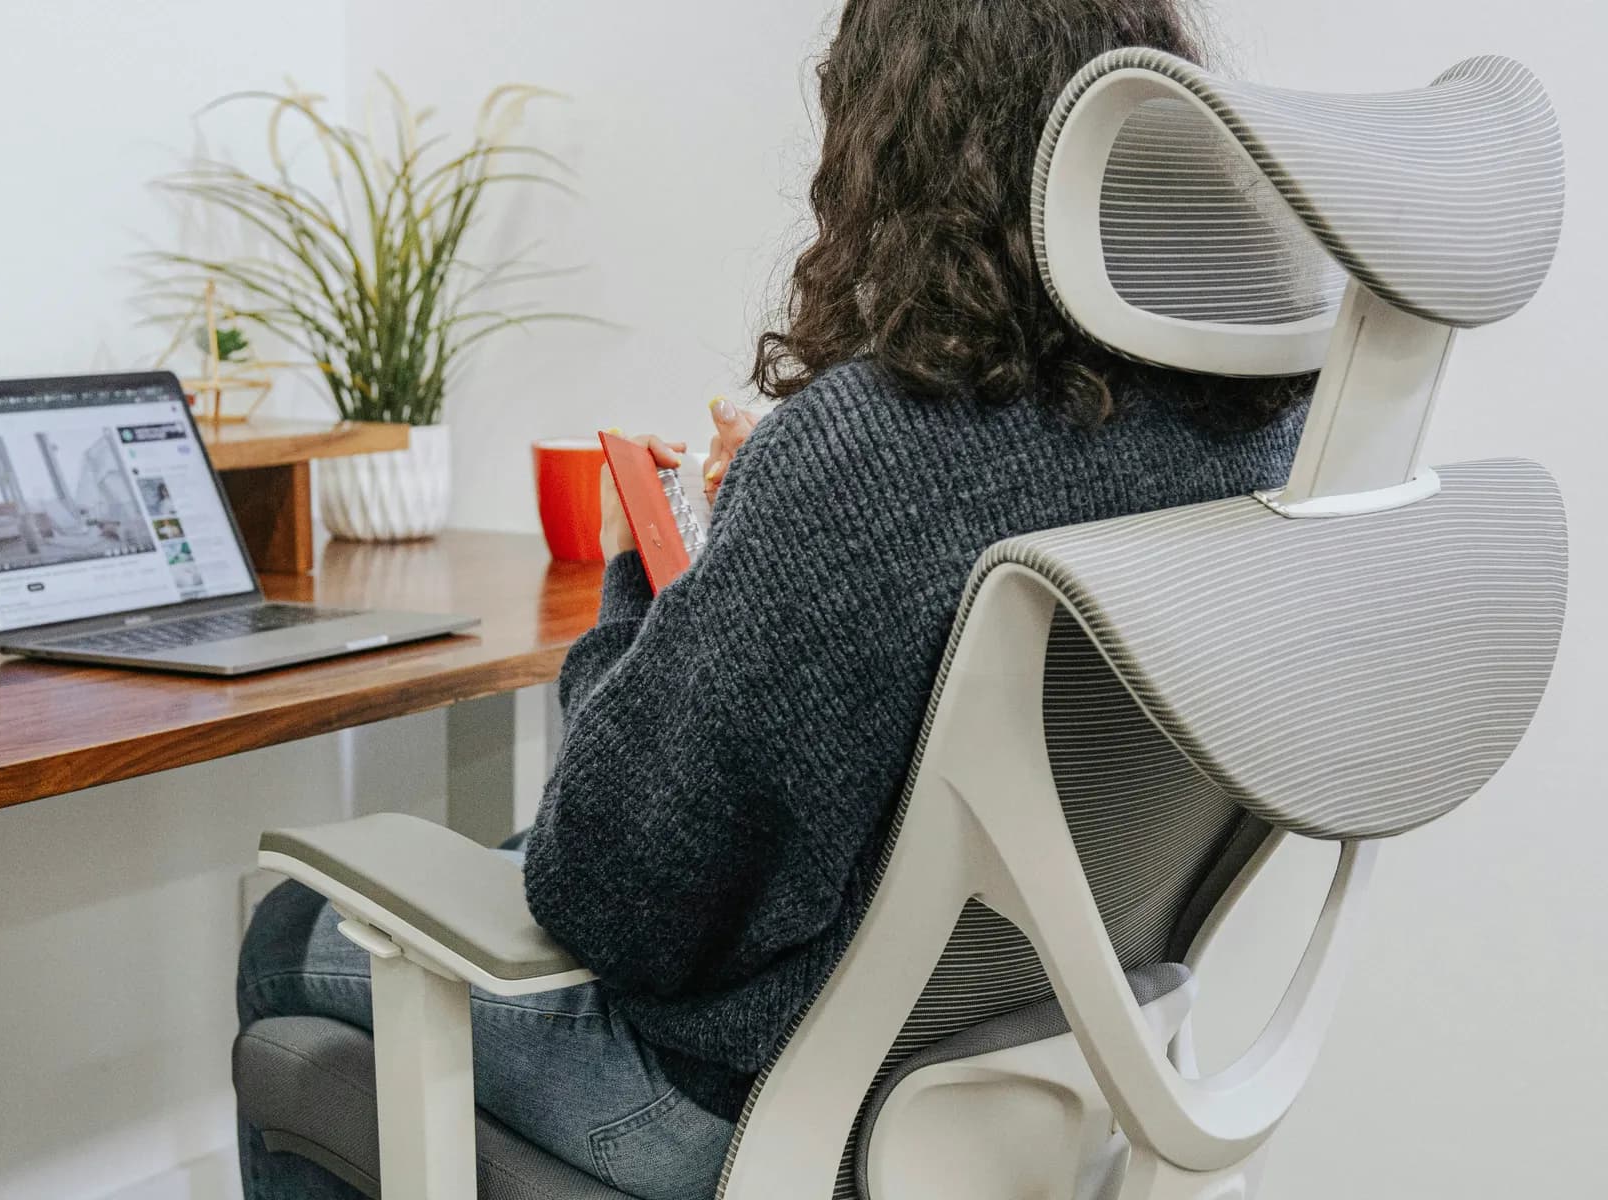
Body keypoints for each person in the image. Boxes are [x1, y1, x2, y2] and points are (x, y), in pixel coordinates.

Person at [237, 1, 1315, 1196]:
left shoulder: (875, 449)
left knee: (290, 935)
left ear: (890, 144)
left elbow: (612, 896)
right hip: (1058, 1063)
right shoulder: (1255, 424)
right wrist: (770, 534)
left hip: (770, 1106)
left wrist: (654, 568)